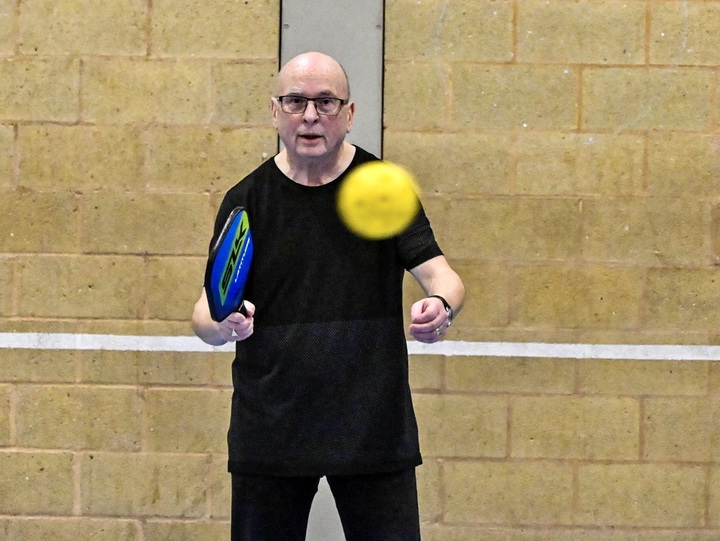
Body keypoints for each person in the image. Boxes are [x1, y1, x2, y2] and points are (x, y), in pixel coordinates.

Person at [192, 51, 465, 541]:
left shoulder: (383, 189)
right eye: (295, 101)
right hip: (271, 428)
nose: (311, 116)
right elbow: (204, 313)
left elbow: (443, 275)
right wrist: (223, 323)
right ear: (274, 111)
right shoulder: (247, 200)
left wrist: (440, 306)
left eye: (326, 102)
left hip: (372, 426)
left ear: (349, 113)